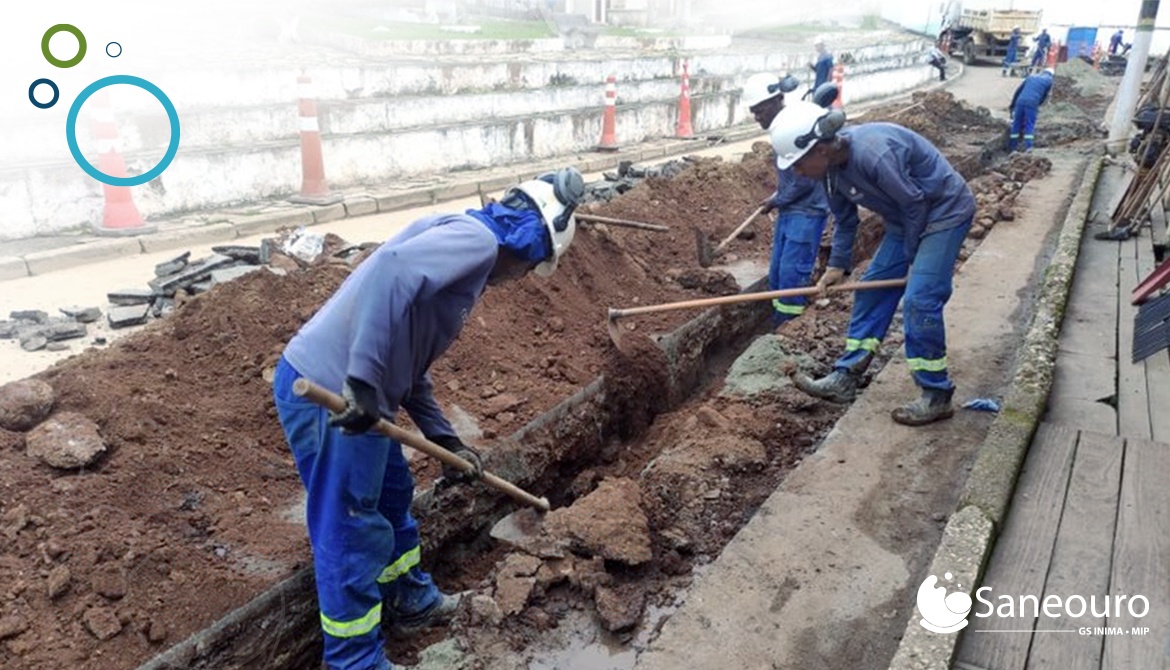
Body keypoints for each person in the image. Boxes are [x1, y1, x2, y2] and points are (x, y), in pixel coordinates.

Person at [272, 167, 583, 670]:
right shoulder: (478, 242)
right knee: (349, 526)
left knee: (393, 499)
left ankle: (411, 601)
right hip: (330, 390)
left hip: (358, 389)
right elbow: (391, 269)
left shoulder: (466, 250)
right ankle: (353, 660)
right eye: (533, 267)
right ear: (532, 243)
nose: (522, 280)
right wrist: (366, 381)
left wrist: (447, 442)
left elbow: (411, 365)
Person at [769, 101, 975, 426]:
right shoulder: (829, 174)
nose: (795, 171)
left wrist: (913, 259)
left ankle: (936, 395)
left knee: (921, 300)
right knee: (869, 291)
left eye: (797, 162)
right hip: (903, 218)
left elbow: (915, 204)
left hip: (943, 213)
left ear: (821, 149)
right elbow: (846, 220)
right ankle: (846, 376)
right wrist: (837, 266)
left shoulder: (873, 153)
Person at [742, 73, 831, 326]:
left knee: (792, 275)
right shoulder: (783, 127)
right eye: (754, 112)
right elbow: (791, 178)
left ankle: (789, 329)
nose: (757, 117)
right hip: (790, 210)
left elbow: (803, 180)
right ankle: (777, 322)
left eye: (760, 110)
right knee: (778, 274)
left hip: (807, 212)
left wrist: (778, 200)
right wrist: (776, 197)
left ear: (777, 99)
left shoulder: (795, 126)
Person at [1008, 67, 1054, 152]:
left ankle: (1012, 147)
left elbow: (1018, 91)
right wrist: (1037, 104)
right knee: (1029, 124)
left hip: (1020, 101)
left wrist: (1012, 105)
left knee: (1016, 123)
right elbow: (1044, 96)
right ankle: (1028, 147)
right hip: (1032, 103)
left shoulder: (1031, 77)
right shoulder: (1049, 80)